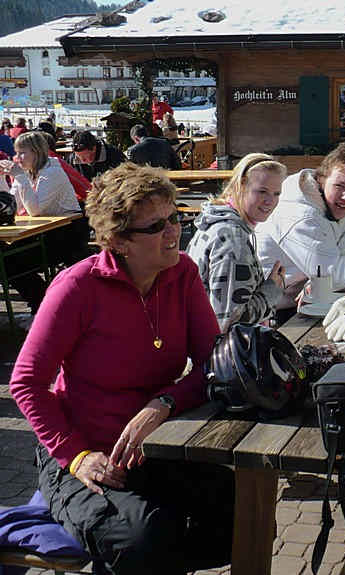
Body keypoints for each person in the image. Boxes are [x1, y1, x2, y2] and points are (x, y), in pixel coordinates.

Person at [9, 163, 233, 575]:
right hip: (85, 450)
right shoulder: (78, 287)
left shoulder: (182, 272)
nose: (173, 232)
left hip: (155, 447)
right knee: (142, 539)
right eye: (156, 226)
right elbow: (26, 383)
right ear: (117, 240)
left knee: (236, 509)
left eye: (174, 218)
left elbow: (212, 363)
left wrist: (165, 402)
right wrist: (76, 456)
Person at [256, 142, 345, 310]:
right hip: (270, 311)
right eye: (339, 186)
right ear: (322, 179)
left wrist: (331, 275)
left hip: (303, 299)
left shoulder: (330, 206)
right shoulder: (302, 215)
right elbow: (334, 276)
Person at [187, 153, 287, 331]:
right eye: (262, 191)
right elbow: (230, 323)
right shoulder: (232, 241)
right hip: (218, 347)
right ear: (240, 186)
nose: (270, 201)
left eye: (276, 193)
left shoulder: (217, 223)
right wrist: (272, 290)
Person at [0, 131, 89, 312]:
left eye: (22, 153)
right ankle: (42, 302)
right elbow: (13, 207)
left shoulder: (52, 171)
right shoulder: (28, 172)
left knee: (11, 262)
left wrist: (20, 177)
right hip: (45, 232)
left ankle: (43, 304)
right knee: (6, 258)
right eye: (16, 153)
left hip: (68, 234)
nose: (17, 158)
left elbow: (35, 210)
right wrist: (3, 177)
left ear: (37, 152)